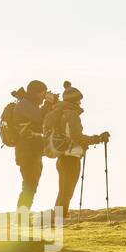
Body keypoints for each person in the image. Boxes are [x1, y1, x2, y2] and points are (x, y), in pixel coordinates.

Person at [45, 81, 109, 215]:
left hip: (61, 156)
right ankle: (58, 222)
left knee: (63, 191)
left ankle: (57, 221)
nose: (80, 103)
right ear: (74, 101)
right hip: (71, 157)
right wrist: (98, 138)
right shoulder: (71, 114)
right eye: (79, 100)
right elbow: (77, 137)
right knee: (67, 192)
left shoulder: (56, 112)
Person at [13, 79, 55, 209]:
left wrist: (50, 104)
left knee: (31, 185)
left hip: (33, 152)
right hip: (27, 153)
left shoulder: (30, 104)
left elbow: (42, 120)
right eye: (43, 93)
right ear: (36, 93)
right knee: (29, 186)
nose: (44, 96)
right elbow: (41, 118)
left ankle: (22, 217)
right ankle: (21, 219)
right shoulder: (24, 104)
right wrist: (48, 102)